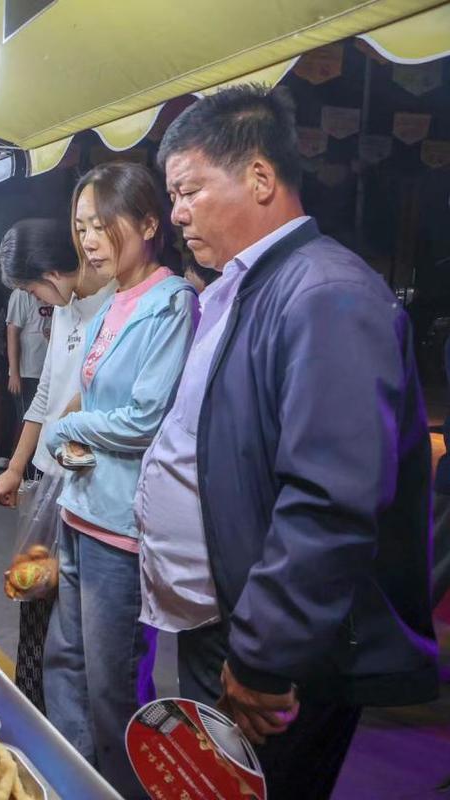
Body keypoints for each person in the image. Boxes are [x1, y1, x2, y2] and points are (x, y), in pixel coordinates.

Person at [140, 84, 437, 798]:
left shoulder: (324, 294)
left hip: (276, 651)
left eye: (188, 191)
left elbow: (328, 500)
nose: (175, 214)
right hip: (226, 620)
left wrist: (265, 654)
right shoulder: (248, 286)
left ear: (261, 178)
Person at [42, 162, 198, 797]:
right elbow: (92, 401)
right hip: (81, 507)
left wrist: (63, 432)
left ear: (149, 224)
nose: (90, 240)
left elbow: (144, 419)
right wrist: (72, 430)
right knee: (66, 664)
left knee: (114, 685)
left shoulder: (170, 303)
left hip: (121, 526)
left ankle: (121, 789)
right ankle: (75, 783)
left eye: (103, 225)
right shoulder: (113, 301)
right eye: (82, 227)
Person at [0, 217, 116, 713]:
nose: (37, 297)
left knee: (74, 625)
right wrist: (18, 466)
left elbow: (89, 400)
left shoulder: (113, 307)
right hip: (46, 480)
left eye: (33, 286)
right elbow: (46, 393)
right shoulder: (64, 309)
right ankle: (35, 708)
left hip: (83, 481)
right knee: (35, 597)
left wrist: (60, 446)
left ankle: (69, 727)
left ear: (54, 270)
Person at [0, 283, 54, 472]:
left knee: (46, 423)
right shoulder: (21, 294)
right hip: (28, 371)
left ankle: (38, 471)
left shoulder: (56, 294)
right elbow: (12, 331)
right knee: (29, 422)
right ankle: (28, 473)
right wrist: (14, 372)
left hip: (49, 371)